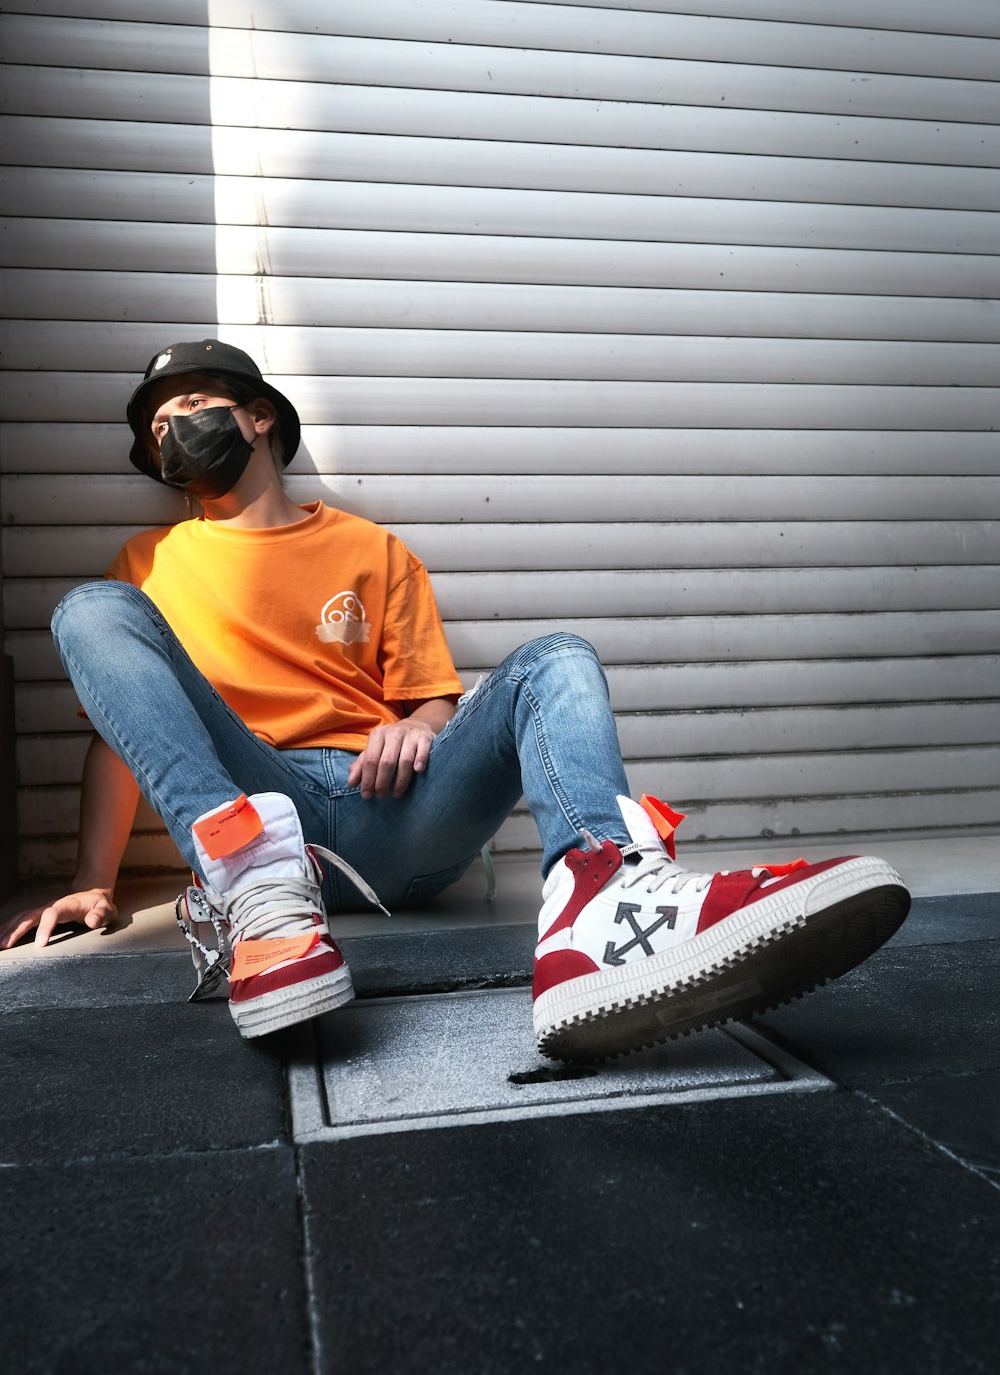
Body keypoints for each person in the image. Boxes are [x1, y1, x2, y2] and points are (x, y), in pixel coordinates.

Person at [0, 339, 911, 1058]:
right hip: (255, 804)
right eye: (159, 425)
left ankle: (601, 900)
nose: (175, 429)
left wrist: (415, 726)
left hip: (393, 811)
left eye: (194, 406)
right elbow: (126, 734)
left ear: (262, 416)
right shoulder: (147, 564)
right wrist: (95, 881)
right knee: (89, 610)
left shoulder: (372, 548)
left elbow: (435, 704)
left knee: (556, 656)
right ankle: (257, 885)